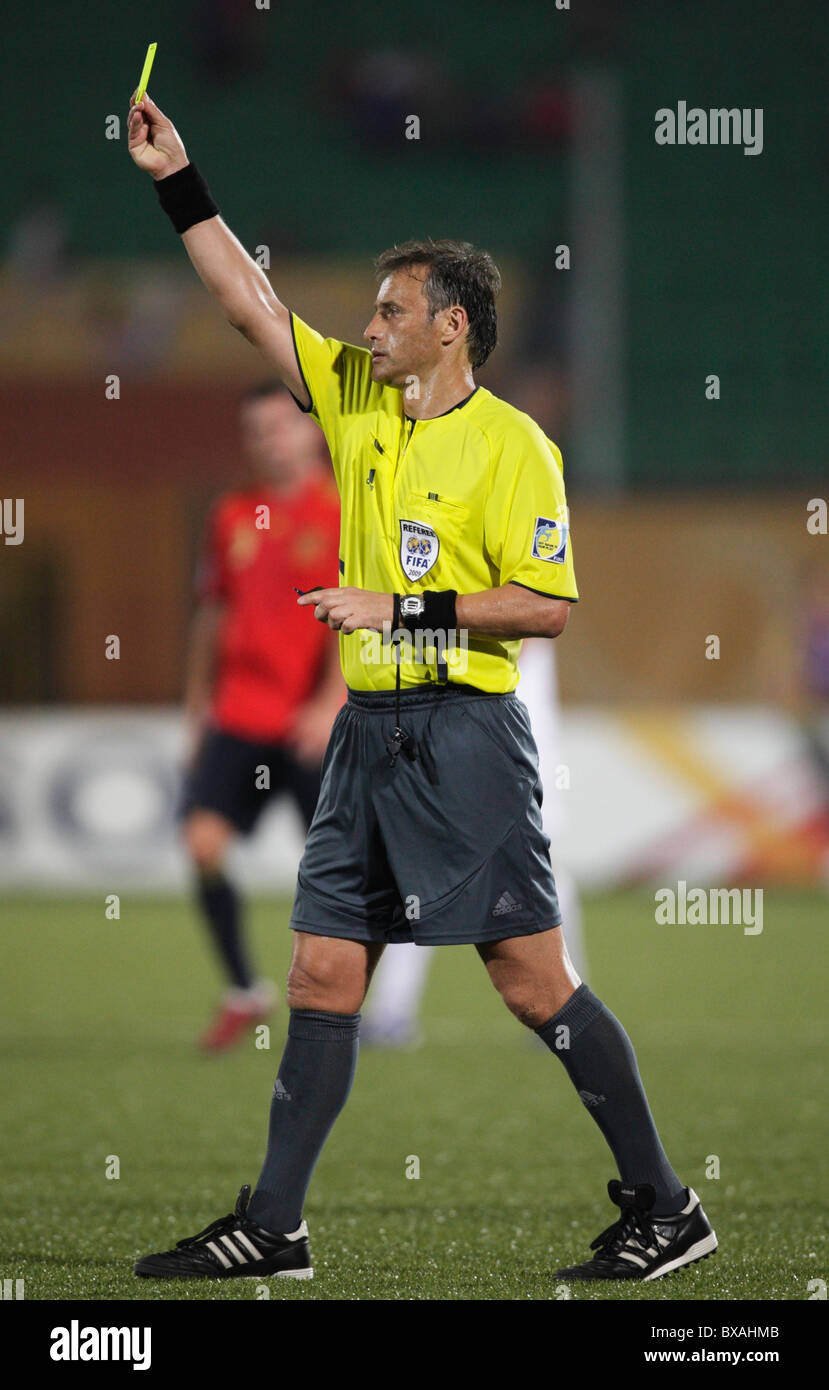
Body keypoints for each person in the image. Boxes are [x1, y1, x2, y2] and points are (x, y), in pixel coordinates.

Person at [127, 91, 717, 1284]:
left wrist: (409, 608)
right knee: (321, 970)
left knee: (530, 979)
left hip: (462, 735)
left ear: (450, 326)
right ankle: (276, 1224)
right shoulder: (352, 398)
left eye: (390, 310)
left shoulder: (514, 447)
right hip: (367, 738)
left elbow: (545, 606)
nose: (369, 325)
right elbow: (249, 302)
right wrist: (177, 181)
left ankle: (666, 1205)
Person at [182, 381, 344, 1051]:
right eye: (256, 430)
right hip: (239, 714)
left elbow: (357, 611)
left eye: (280, 426)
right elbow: (212, 611)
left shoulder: (342, 510)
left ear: (310, 431)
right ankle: (245, 990)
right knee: (202, 844)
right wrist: (196, 701)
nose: (268, 440)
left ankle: (338, 1005)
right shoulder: (231, 514)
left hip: (310, 722)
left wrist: (331, 699)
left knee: (338, 870)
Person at [361, 640, 586, 1046]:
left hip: (515, 737)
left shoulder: (521, 604)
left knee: (540, 871)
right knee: (420, 863)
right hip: (466, 731)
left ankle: (567, 1008)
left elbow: (527, 630)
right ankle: (392, 1010)